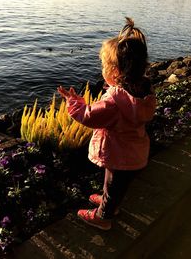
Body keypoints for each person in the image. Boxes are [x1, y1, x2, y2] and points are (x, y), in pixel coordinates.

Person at [57, 17, 156, 230]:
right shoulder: (144, 92)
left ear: (114, 72)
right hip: (135, 152)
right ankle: (108, 200)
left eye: (103, 65)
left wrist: (74, 102)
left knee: (113, 184)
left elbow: (89, 116)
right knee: (116, 185)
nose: (102, 69)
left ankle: (103, 216)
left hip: (119, 153)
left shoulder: (114, 101)